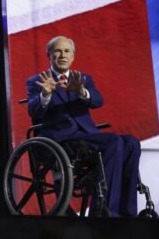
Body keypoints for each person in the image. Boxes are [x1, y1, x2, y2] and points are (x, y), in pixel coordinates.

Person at [26, 36, 141, 217]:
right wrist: (45, 94)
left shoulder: (83, 78)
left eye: (67, 51)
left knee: (132, 143)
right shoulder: (37, 80)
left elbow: (97, 101)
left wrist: (81, 91)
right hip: (61, 140)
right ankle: (103, 212)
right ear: (49, 55)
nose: (62, 55)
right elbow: (33, 110)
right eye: (57, 51)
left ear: (73, 56)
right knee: (114, 143)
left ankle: (127, 212)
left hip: (87, 135)